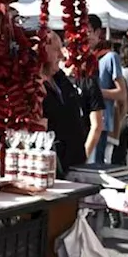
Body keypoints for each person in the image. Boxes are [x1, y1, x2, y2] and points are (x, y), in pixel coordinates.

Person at [40, 30, 99, 177]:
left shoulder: (60, 78)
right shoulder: (32, 85)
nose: (61, 55)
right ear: (42, 50)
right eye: (56, 49)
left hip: (76, 162)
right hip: (53, 167)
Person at [90, 16, 126, 164]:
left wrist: (95, 93)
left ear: (97, 32)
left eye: (87, 31)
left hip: (102, 122)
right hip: (83, 121)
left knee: (96, 166)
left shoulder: (110, 57)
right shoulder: (81, 57)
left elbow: (121, 93)